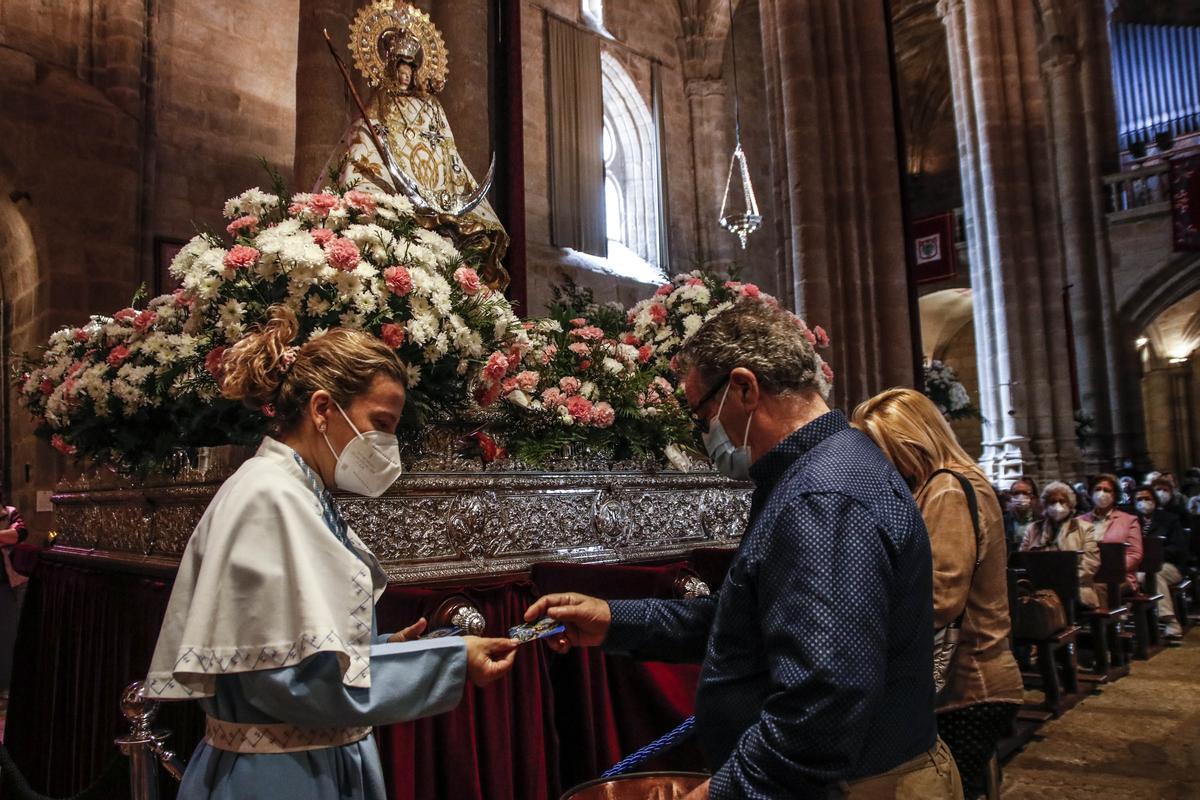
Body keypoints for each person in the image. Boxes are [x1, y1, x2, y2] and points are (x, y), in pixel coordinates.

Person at [525, 300, 960, 799]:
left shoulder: (823, 495)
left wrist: (728, 790)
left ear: (745, 388)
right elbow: (746, 620)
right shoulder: (819, 469)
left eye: (703, 412)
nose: (705, 432)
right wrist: (613, 619)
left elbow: (825, 694)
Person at [146, 307, 519, 800]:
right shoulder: (270, 497)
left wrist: (385, 649)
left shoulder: (299, 491)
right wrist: (448, 660)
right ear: (322, 408)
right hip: (281, 776)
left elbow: (294, 647)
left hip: (309, 760)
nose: (388, 444)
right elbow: (288, 682)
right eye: (380, 423)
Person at [853, 388, 1022, 800]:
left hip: (969, 681)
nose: (881, 462)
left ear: (911, 440)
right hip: (971, 678)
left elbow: (939, 598)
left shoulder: (947, 488)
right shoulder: (949, 482)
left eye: (883, 448)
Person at [1021, 482, 1102, 608]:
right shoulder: (1033, 529)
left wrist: (1064, 580)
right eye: (1052, 502)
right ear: (1045, 505)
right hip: (1040, 590)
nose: (1057, 505)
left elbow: (1091, 562)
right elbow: (1022, 559)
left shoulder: (1085, 528)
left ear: (1070, 504)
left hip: (1077, 589)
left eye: (1062, 501)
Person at [1134, 486, 1188, 638]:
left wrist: (1154, 555)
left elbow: (1178, 547)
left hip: (1168, 565)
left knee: (1154, 575)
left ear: (1154, 500)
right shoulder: (1132, 521)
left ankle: (1170, 621)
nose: (1143, 502)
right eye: (1139, 499)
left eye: (1147, 498)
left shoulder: (1169, 519)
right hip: (1139, 566)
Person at [1078, 473, 1143, 598]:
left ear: (1115, 495)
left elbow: (1135, 554)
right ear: (1091, 493)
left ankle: (1103, 611)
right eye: (1097, 489)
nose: (1101, 493)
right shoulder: (1079, 521)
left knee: (1097, 587)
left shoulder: (1129, 520)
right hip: (1086, 574)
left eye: (1107, 490)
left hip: (1119, 577)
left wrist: (1110, 568)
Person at [0, 492, 29, 703]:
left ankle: (5, 685)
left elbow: (19, 534)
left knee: (6, 636)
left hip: (4, 583)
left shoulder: (9, 512)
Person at [1004, 477, 1039, 552]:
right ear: (1010, 496)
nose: (1021, 496)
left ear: (1031, 497)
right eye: (1016, 493)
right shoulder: (1003, 521)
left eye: (1025, 493)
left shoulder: (1040, 521)